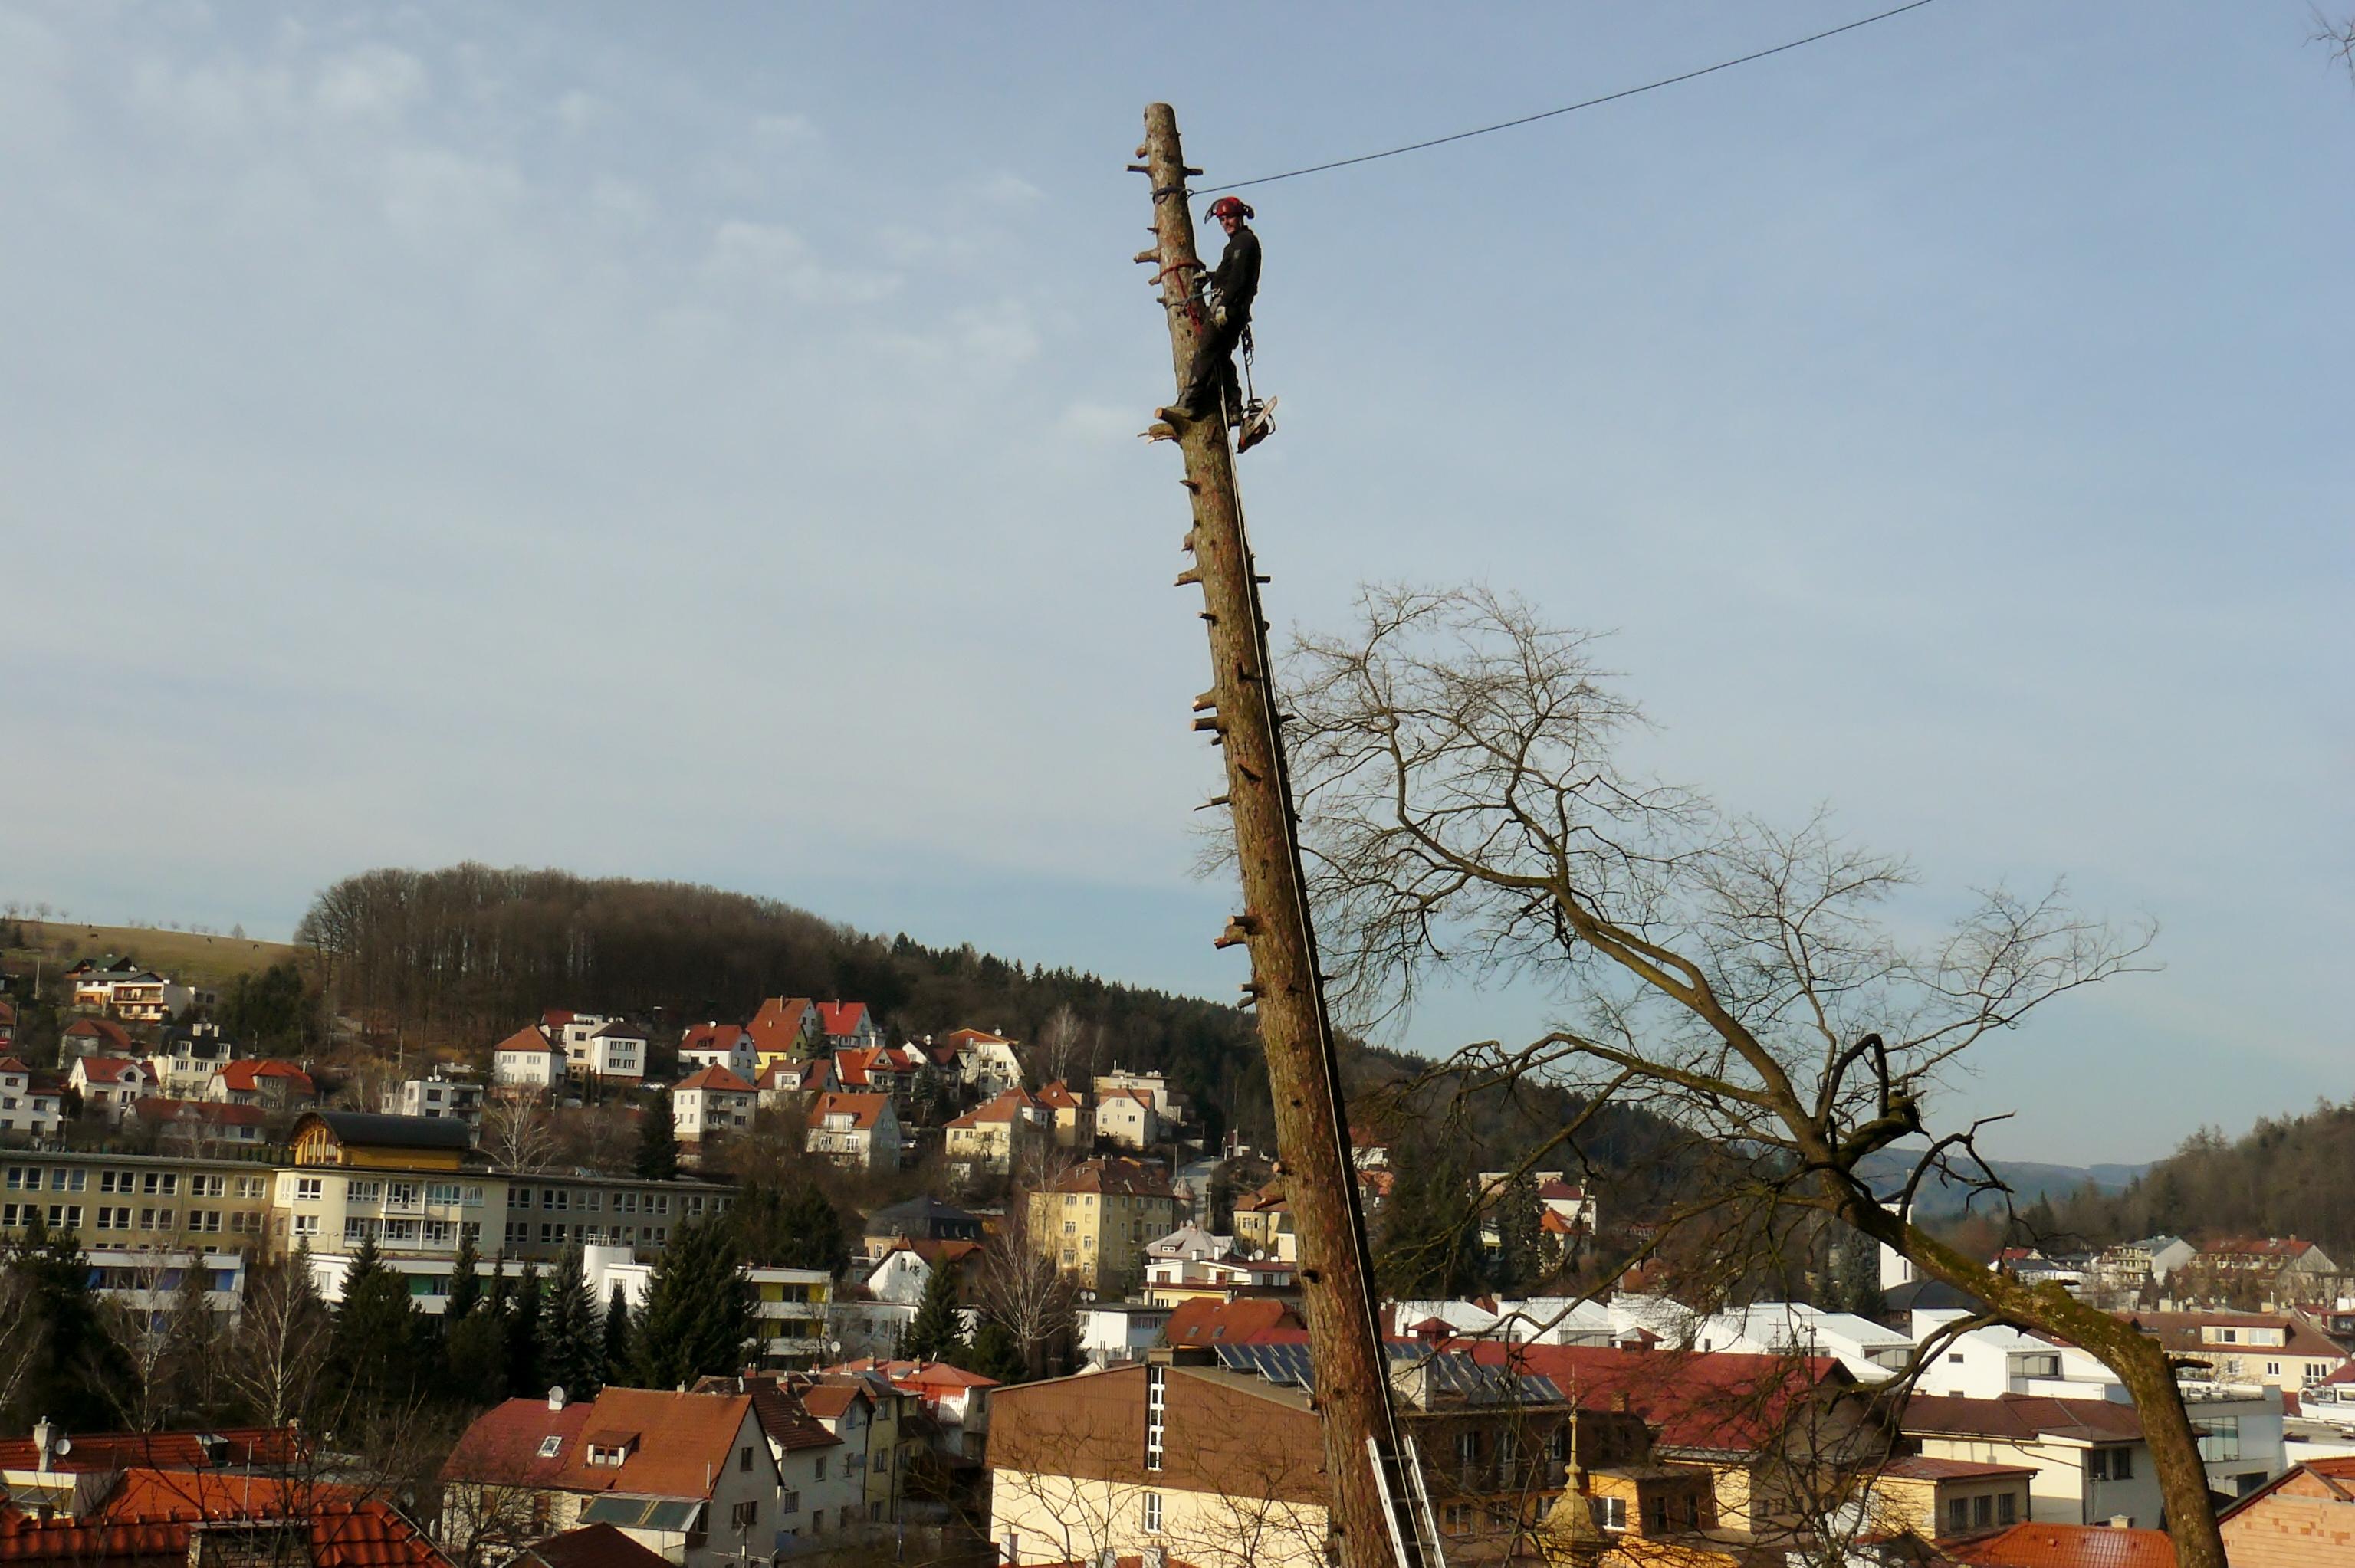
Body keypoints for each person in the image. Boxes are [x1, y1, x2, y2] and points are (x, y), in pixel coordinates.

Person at [1166, 196, 1260, 425]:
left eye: (1228, 217)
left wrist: (1224, 306)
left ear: (1239, 216)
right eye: (1222, 219)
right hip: (1233, 308)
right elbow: (1227, 276)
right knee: (1221, 357)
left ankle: (1189, 402)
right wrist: (1209, 278)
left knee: (1206, 350)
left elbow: (1237, 279)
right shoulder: (1235, 244)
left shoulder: (1244, 242)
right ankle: (1234, 409)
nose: (1225, 223)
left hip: (1229, 308)